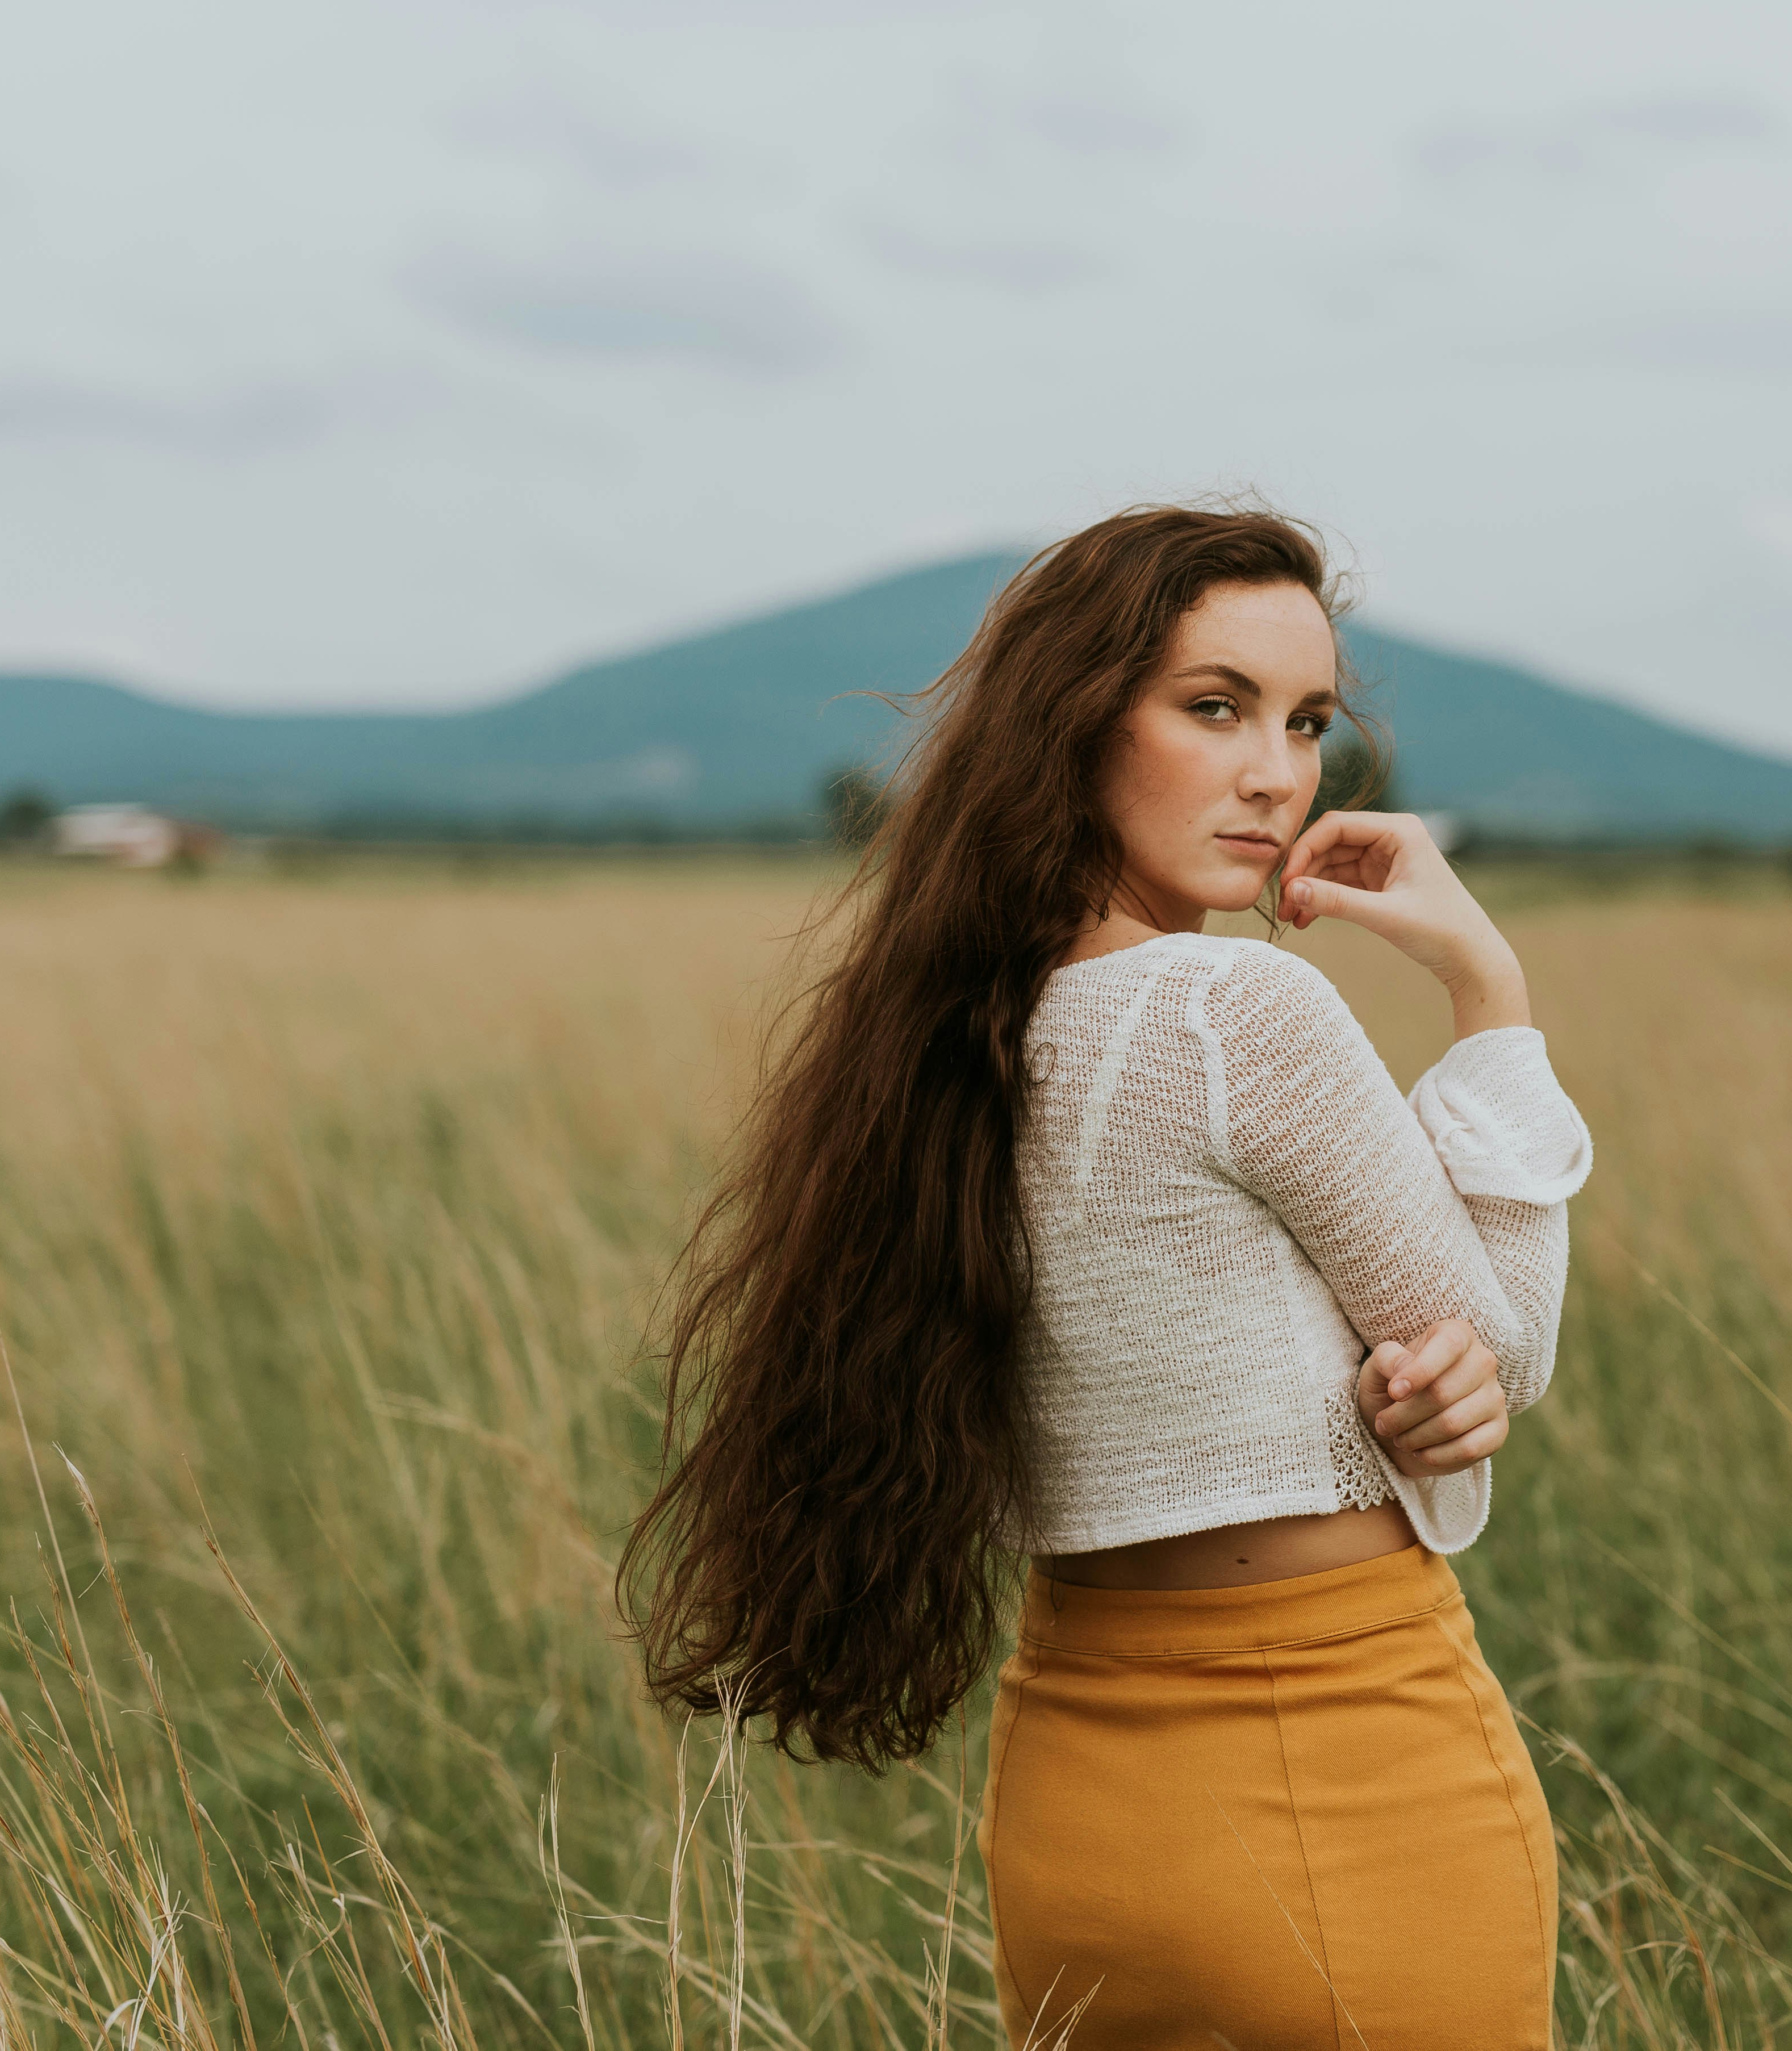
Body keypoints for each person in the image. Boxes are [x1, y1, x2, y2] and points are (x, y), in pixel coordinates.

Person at [621, 503, 1593, 2046]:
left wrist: (1421, 1379)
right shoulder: (1231, 1003)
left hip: (1078, 1790)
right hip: (1347, 1755)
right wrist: (1490, 989)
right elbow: (1506, 1345)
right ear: (1077, 721)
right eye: (1214, 708)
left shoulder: (941, 1045)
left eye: (1310, 721)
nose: (1278, 772)